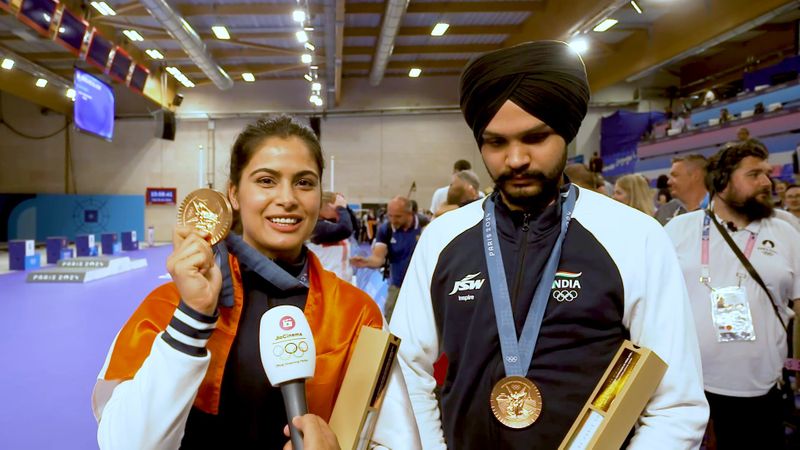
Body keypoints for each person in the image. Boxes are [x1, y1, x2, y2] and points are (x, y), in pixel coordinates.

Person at [389, 40, 708, 450]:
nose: (516, 158)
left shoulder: (634, 236)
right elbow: (405, 372)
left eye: (535, 138)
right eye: (496, 143)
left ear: (567, 132)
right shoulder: (442, 238)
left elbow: (674, 400)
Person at [92, 116, 420, 449]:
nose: (287, 198)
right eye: (266, 180)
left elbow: (398, 442)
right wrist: (193, 317)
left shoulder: (355, 314)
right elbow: (124, 443)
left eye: (304, 183)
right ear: (233, 193)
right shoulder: (169, 305)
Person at [665, 141, 800, 450]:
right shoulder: (678, 230)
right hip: (690, 389)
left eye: (767, 174)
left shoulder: (787, 232)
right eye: (754, 174)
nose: (767, 182)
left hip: (765, 392)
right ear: (722, 181)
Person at [351, 196, 421, 321]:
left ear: (410, 214)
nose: (393, 220)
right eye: (390, 216)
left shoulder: (425, 225)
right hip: (397, 285)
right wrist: (366, 262)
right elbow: (378, 259)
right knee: (390, 321)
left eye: (398, 216)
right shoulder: (386, 229)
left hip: (422, 286)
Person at [307, 192, 355, 281]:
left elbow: (354, 226)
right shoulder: (315, 227)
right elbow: (345, 230)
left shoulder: (330, 223)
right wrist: (341, 209)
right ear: (326, 206)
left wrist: (345, 206)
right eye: (335, 207)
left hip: (341, 282)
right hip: (325, 282)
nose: (337, 210)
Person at [655, 154, 709, 225]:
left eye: (675, 175)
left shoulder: (721, 210)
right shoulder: (665, 212)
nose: (669, 182)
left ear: (696, 176)